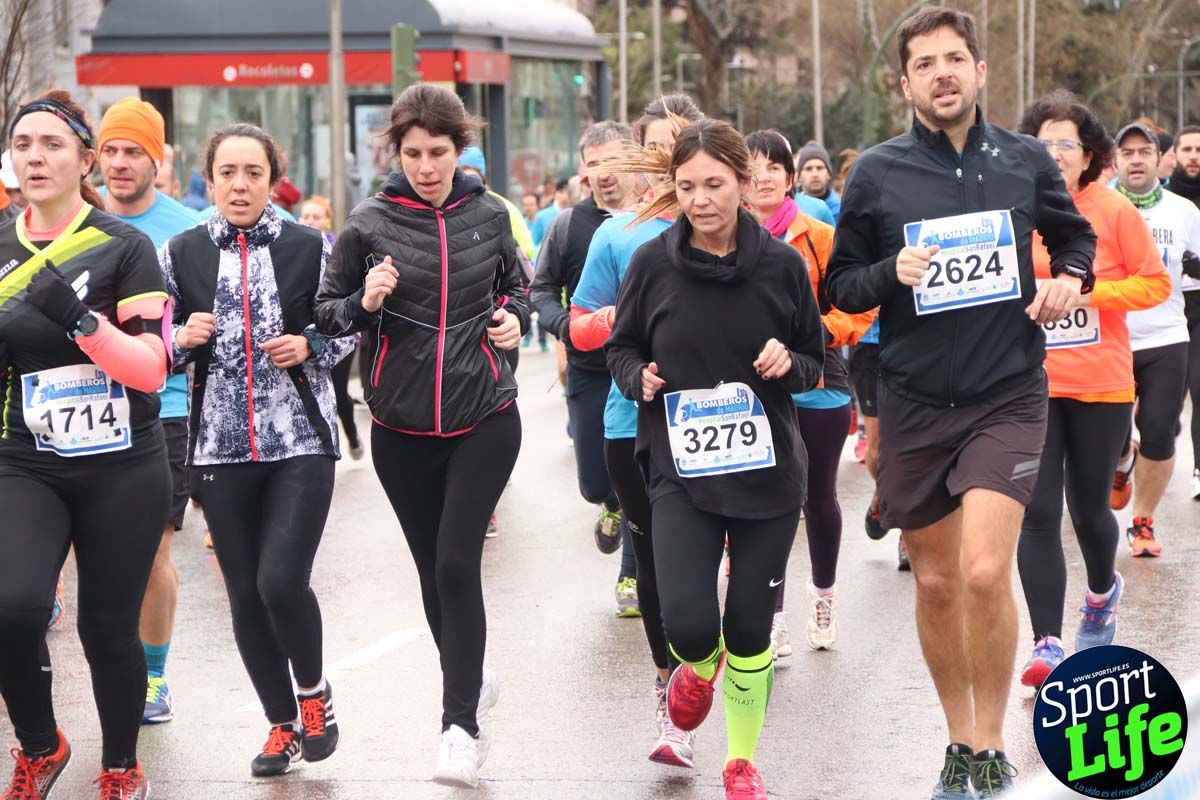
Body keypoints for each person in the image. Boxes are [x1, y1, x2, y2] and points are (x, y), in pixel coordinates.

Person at [825, 7, 1098, 797]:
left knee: (985, 572)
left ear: (980, 71)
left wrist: (1068, 279)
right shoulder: (875, 173)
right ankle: (955, 739)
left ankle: (990, 739)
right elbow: (841, 283)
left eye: (955, 59)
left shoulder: (1024, 161)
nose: (942, 73)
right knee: (938, 581)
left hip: (1007, 391)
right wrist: (889, 276)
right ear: (904, 82)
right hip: (913, 398)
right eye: (924, 63)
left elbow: (1072, 237)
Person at [314, 83, 528, 789]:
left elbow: (520, 290)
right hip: (401, 427)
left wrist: (512, 321)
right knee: (432, 570)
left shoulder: (489, 215)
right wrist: (365, 300)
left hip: (485, 413)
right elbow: (327, 316)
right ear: (396, 151)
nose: (426, 166)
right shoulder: (369, 223)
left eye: (438, 152)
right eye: (413, 153)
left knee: (457, 562)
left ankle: (458, 728)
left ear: (459, 150)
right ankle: (470, 678)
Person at [606, 117, 825, 800]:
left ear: (743, 182)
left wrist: (791, 361)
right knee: (691, 623)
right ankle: (698, 668)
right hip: (681, 471)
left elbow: (820, 361)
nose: (700, 199)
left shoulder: (783, 266)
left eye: (714, 184)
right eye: (687, 186)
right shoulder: (652, 264)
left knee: (751, 627)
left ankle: (739, 761)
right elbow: (620, 345)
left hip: (766, 478)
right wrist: (634, 374)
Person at [161, 123, 352, 777]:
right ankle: (281, 726)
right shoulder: (180, 251)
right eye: (227, 173)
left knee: (280, 580)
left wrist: (312, 346)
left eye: (253, 173)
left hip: (299, 437)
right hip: (217, 446)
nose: (239, 185)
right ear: (208, 179)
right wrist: (181, 338)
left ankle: (313, 694)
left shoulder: (307, 245)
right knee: (244, 594)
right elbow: (155, 350)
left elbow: (346, 327)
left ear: (273, 181)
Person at [1, 89, 173, 800]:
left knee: (107, 627)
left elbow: (151, 369)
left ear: (85, 159)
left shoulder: (123, 246)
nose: (35, 157)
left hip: (122, 464)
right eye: (22, 145)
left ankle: (121, 764)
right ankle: (41, 746)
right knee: (11, 605)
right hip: (25, 458)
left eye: (51, 144)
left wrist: (78, 319)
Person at [1015, 95, 1169, 690]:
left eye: (1067, 145)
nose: (1054, 155)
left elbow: (1154, 283)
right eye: (1044, 143)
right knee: (1037, 512)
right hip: (1030, 382)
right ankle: (1047, 643)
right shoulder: (1016, 210)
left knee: (1089, 511)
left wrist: (1087, 294)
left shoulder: (1112, 210)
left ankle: (1102, 592)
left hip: (1102, 382)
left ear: (1088, 156)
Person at [570, 92, 706, 769]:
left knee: (714, 563)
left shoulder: (730, 226)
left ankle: (726, 666)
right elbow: (579, 322)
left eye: (676, 146)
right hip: (633, 423)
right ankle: (667, 689)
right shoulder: (615, 235)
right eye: (653, 149)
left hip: (720, 423)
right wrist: (629, 320)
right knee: (653, 561)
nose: (664, 163)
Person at [745, 129, 875, 656]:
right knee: (768, 503)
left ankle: (823, 596)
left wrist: (819, 333)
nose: (763, 177)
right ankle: (770, 617)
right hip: (751, 389)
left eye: (774, 167)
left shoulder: (819, 236)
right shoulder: (723, 238)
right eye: (752, 168)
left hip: (819, 384)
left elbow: (860, 306)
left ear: (791, 176)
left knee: (818, 497)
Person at [95, 96, 202, 727]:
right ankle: (115, 668)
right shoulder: (70, 220)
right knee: (99, 563)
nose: (120, 162)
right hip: (75, 413)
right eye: (110, 150)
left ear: (156, 161)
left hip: (163, 410)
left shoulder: (185, 230)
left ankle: (153, 676)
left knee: (151, 556)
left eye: (134, 151)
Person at [532, 120, 643, 611]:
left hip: (641, 371)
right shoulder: (568, 225)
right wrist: (563, 327)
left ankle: (631, 577)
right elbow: (540, 287)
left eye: (614, 162)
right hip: (590, 368)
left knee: (642, 474)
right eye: (594, 165)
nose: (605, 175)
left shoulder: (653, 220)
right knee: (595, 483)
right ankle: (612, 505)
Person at [1109, 123, 1200, 551]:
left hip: (1166, 334)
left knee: (1161, 430)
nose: (1137, 160)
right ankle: (1122, 459)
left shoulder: (1183, 211)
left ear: (1159, 157)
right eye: (1127, 153)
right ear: (1114, 160)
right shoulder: (1099, 207)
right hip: (1109, 336)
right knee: (1107, 435)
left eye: (1144, 151)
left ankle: (1142, 520)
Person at [298, 194, 363, 460]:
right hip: (305, 338)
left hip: (340, 336)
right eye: (306, 216)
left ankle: (350, 435)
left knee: (337, 391)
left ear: (326, 220)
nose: (311, 221)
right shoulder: (293, 251)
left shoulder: (337, 251)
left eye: (316, 216)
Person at [1169, 126, 1200, 497]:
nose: (1194, 155)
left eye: (1199, 149)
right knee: (1160, 399)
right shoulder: (1163, 199)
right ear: (1174, 154)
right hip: (1164, 306)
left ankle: (1198, 467)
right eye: (1187, 149)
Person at [794, 140, 841, 223]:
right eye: (808, 169)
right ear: (799, 176)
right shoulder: (789, 207)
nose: (815, 174)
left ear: (829, 173)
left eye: (819, 168)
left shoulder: (840, 209)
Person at [530, 177, 570, 248]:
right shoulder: (542, 216)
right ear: (554, 194)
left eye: (568, 193)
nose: (564, 196)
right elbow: (533, 244)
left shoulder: (574, 215)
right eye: (561, 192)